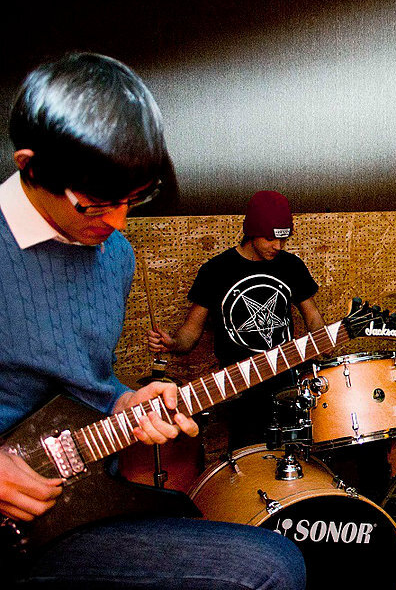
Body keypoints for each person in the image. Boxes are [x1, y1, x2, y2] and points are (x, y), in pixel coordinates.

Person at [0, 52, 305, 589]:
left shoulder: (115, 255)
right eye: (96, 203)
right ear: (30, 166)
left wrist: (125, 403)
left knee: (274, 566)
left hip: (74, 507)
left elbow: (81, 384)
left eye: (134, 199)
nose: (118, 222)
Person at [147, 190, 325, 449]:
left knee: (297, 458)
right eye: (270, 238)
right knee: (249, 461)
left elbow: (313, 317)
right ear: (251, 232)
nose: (278, 246)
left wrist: (323, 343)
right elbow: (191, 332)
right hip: (240, 386)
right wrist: (172, 344)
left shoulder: (291, 266)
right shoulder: (216, 270)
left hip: (286, 383)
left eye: (283, 239)